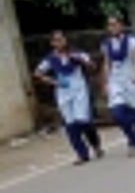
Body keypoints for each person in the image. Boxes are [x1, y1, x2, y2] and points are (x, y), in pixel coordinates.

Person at [34, 31, 103, 165]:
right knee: (70, 124)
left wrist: (82, 61)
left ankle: (95, 144)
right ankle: (82, 154)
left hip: (79, 90)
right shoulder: (50, 58)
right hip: (63, 92)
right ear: (52, 43)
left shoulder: (76, 53)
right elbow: (38, 73)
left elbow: (92, 65)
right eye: (56, 41)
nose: (59, 43)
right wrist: (53, 81)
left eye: (61, 39)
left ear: (65, 40)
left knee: (83, 121)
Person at [101, 15, 135, 157]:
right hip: (116, 80)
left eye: (115, 24)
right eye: (110, 25)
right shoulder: (106, 44)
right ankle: (133, 139)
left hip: (130, 77)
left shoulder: (131, 41)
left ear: (121, 25)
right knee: (117, 113)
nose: (112, 27)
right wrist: (106, 82)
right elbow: (106, 63)